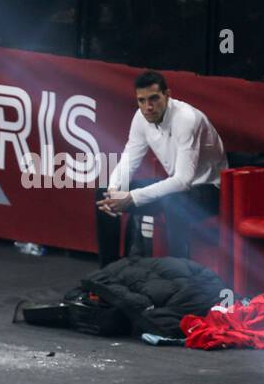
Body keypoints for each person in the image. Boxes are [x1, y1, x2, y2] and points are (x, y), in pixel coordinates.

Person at [96, 71, 227, 266]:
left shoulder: (186, 119)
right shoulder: (141, 117)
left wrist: (132, 197)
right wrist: (115, 190)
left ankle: (179, 277)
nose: (148, 107)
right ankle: (107, 273)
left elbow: (183, 181)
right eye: (141, 101)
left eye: (154, 99)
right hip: (177, 188)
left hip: (211, 191)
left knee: (175, 200)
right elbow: (129, 160)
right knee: (104, 193)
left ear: (167, 95)